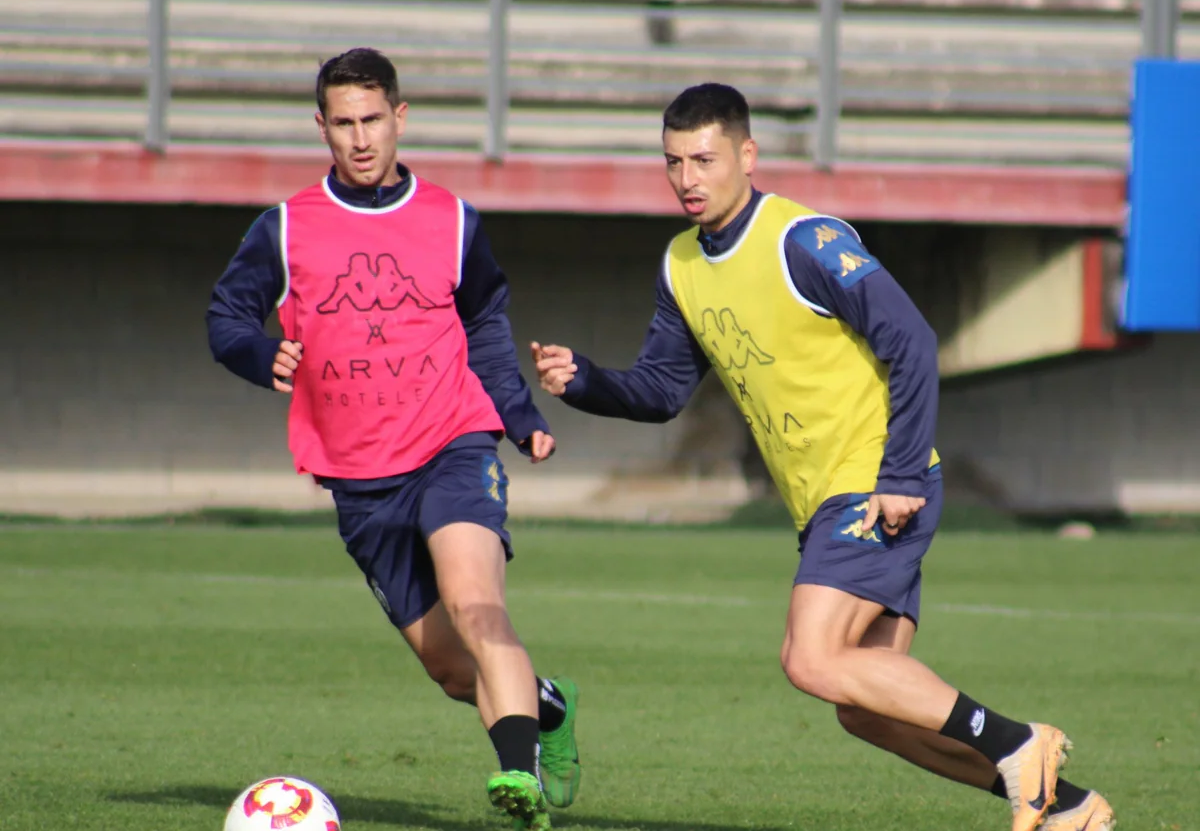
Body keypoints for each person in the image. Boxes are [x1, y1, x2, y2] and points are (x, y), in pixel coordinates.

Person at [531, 82, 1113, 831]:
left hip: (874, 483)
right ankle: (1062, 805)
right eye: (673, 162)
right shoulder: (680, 265)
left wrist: (899, 473)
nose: (687, 179)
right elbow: (663, 390)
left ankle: (1017, 743)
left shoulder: (802, 240)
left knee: (809, 658)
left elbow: (912, 340)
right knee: (865, 710)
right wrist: (586, 382)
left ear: (748, 154)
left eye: (704, 159)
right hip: (823, 505)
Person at [206, 47, 579, 831]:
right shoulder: (284, 229)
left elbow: (483, 323)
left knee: (477, 606)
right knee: (450, 668)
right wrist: (256, 352)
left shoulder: (451, 220)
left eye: (373, 119)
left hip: (454, 442)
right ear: (322, 129)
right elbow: (225, 318)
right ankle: (546, 708)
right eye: (343, 123)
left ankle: (519, 776)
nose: (361, 138)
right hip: (358, 477)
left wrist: (520, 417)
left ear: (400, 118)